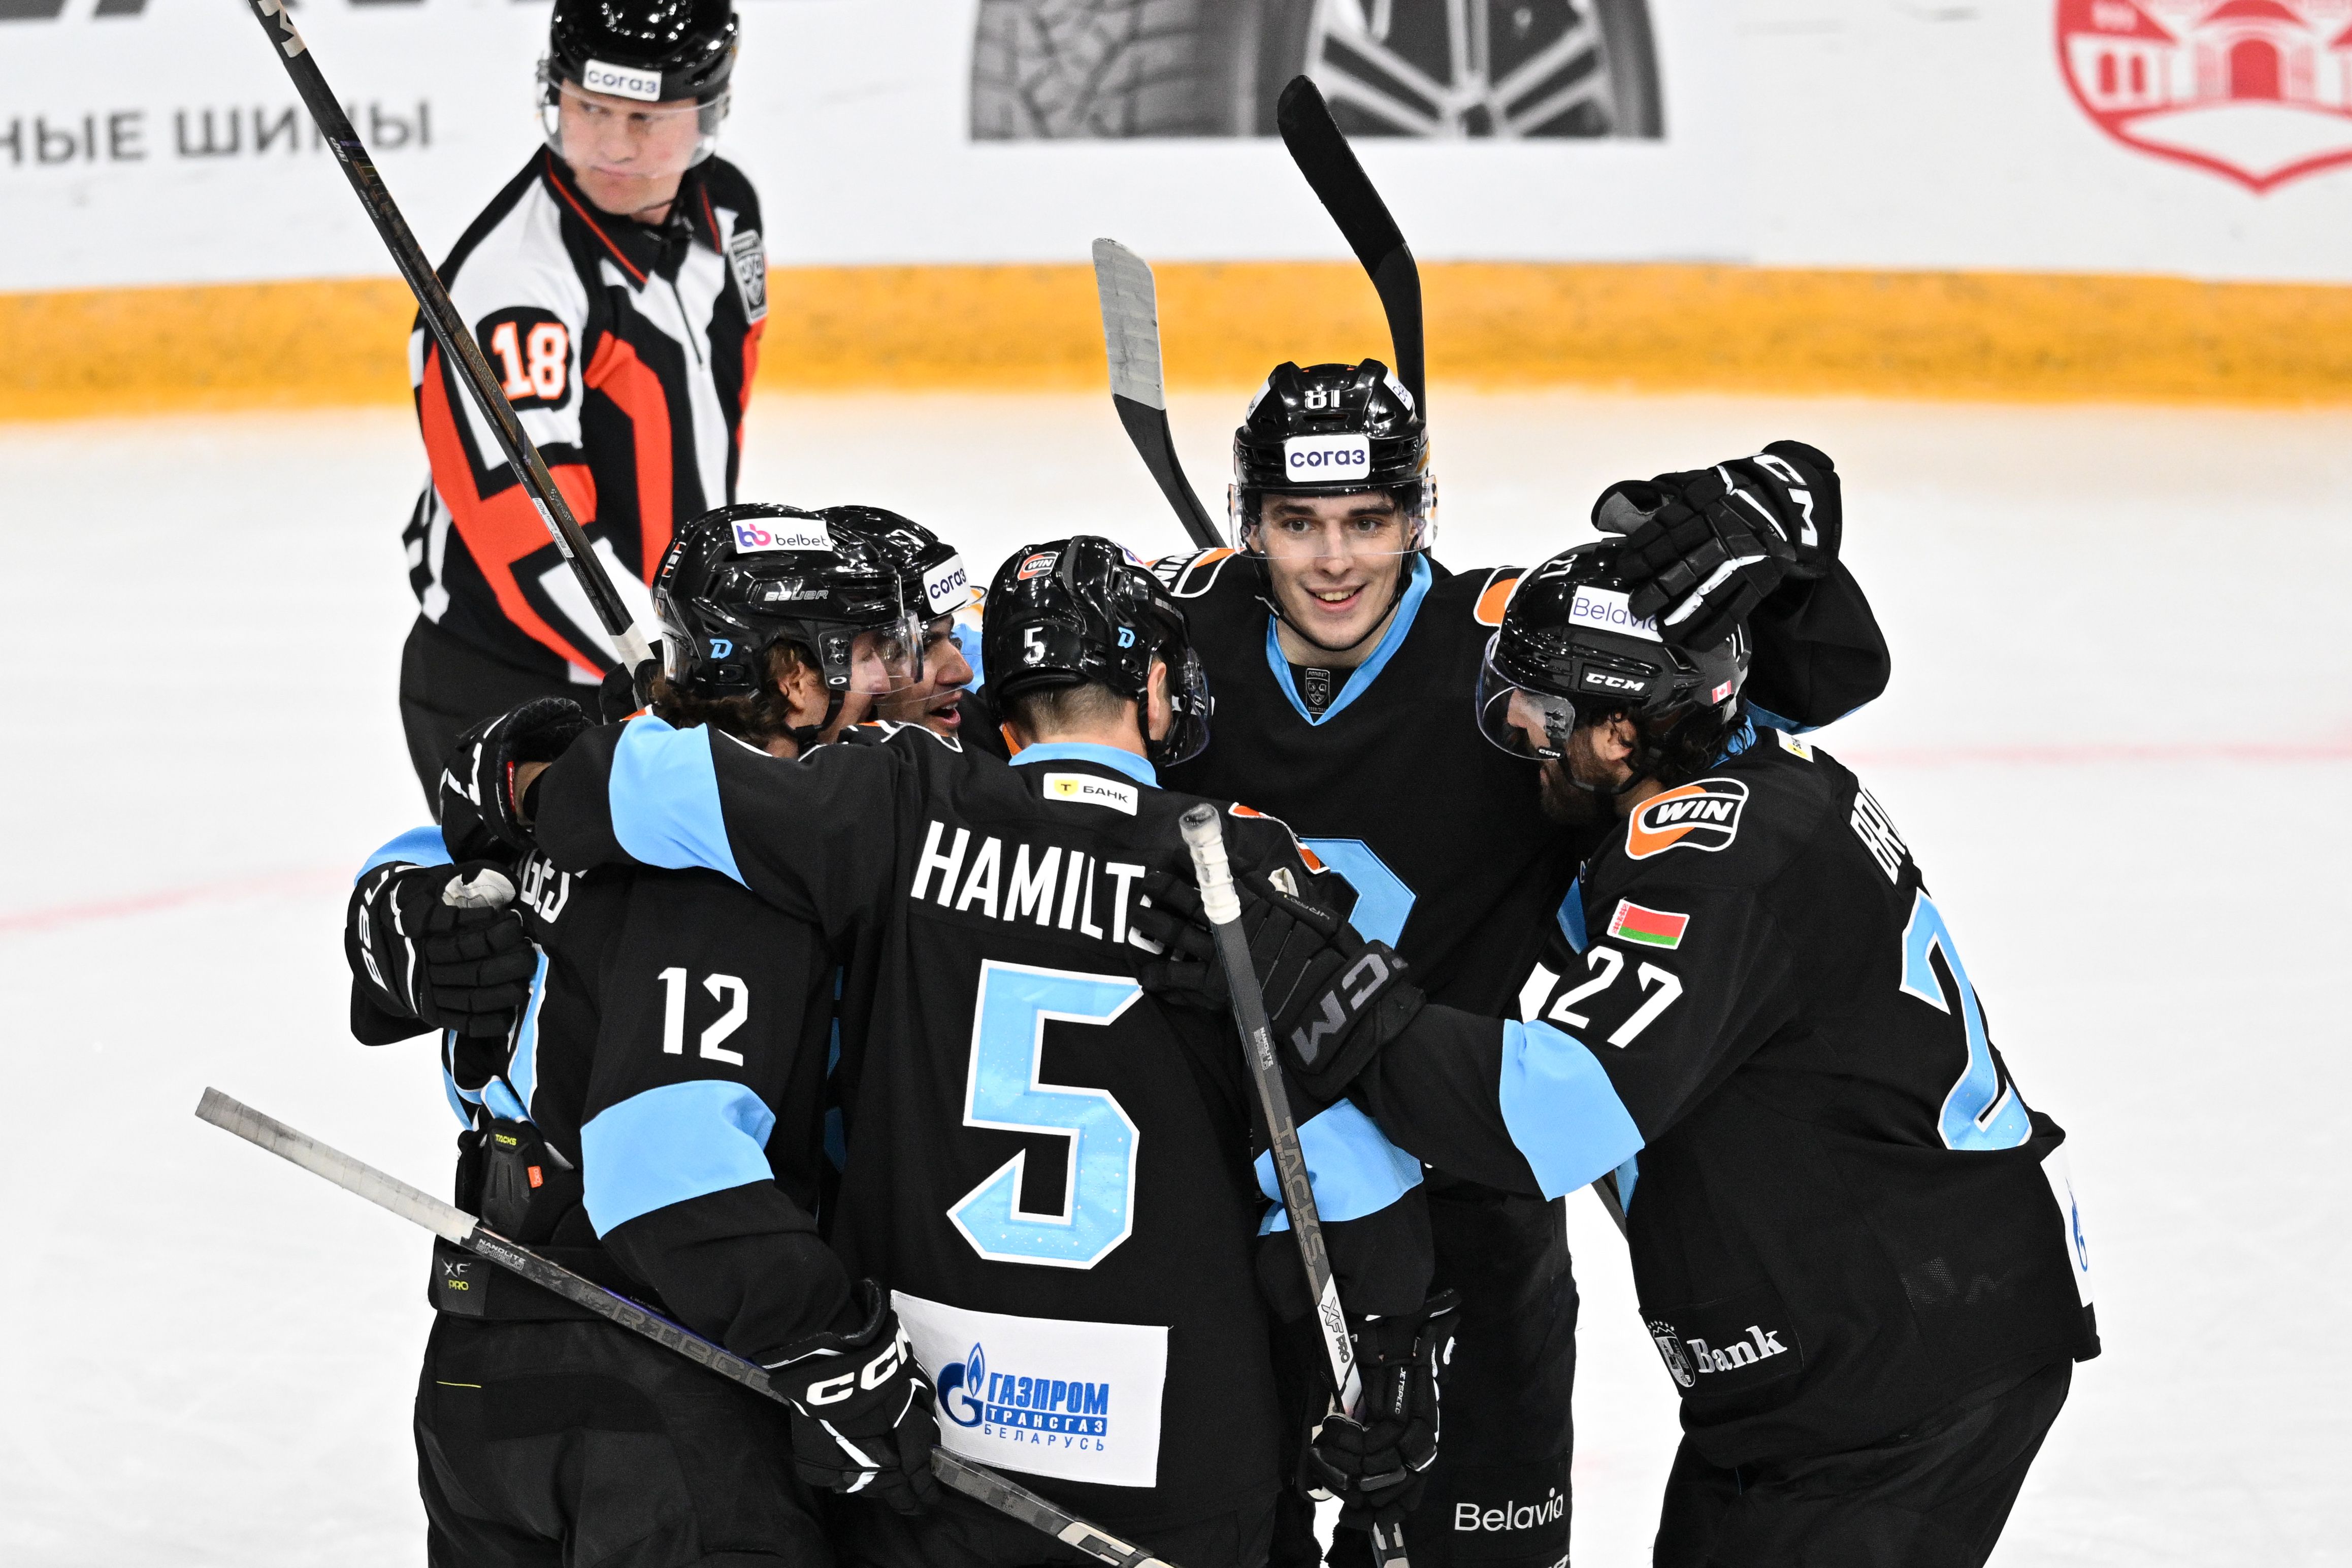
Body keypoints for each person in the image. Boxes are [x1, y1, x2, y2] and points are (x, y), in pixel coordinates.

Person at [472, 536, 1450, 1568]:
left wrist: (510, 777)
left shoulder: (897, 803)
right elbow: (1345, 1172)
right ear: (1158, 689)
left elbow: (632, 786)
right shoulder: (1237, 862)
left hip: (930, 1443)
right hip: (1183, 1460)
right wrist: (1394, 1353)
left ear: (1002, 700)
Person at [1148, 538, 2100, 1568]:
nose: (1517, 725)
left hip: (1904, 1362)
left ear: (1620, 730)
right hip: (1835, 1349)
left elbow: (1549, 1115)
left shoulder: (1714, 857)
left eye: (1544, 706)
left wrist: (1326, 993)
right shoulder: (1740, 779)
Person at [1145, 358, 1892, 1566]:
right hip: (1235, 1194)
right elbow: (987, 686)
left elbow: (1818, 682)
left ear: (1418, 513)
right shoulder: (1173, 636)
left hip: (1469, 1192)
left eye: (1367, 520)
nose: (1333, 561)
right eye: (1297, 522)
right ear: (1250, 520)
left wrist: (1783, 533)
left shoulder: (1525, 646)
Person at [346, 504, 965, 1565]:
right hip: (658, 1377)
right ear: (796, 679)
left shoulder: (587, 781)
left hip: (479, 1364)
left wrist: (386, 910)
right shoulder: (725, 858)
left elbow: (439, 849)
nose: (939, 668)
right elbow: (671, 1167)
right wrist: (830, 1344)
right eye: (890, 647)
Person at [398, 0, 770, 799]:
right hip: (521, 698)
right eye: (590, 109)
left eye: (646, 119)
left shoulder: (729, 211)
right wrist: (680, 668)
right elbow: (531, 537)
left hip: (666, 670)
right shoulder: (515, 287)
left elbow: (713, 423)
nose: (612, 146)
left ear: (708, 110)